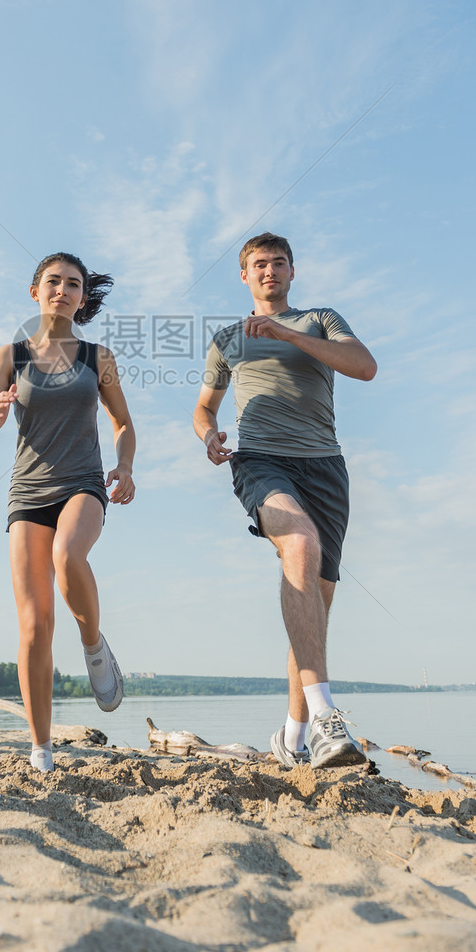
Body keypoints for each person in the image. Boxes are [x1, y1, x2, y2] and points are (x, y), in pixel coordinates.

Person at [193, 232, 377, 769]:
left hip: (325, 468)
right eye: (258, 264)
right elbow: (204, 407)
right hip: (259, 460)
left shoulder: (321, 319)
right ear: (245, 276)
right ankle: (325, 716)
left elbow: (363, 366)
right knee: (297, 540)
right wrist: (207, 434)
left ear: (292, 272)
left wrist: (284, 334)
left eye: (278, 263)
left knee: (314, 609)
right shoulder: (228, 337)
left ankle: (293, 737)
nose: (269, 271)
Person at [0, 252, 136, 772]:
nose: (62, 289)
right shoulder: (11, 356)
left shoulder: (98, 358)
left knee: (69, 555)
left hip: (83, 484)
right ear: (34, 291)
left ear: (82, 297)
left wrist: (125, 465)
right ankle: (41, 750)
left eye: (73, 284)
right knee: (34, 625)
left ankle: (94, 647)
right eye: (53, 281)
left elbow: (122, 423)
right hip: (27, 494)